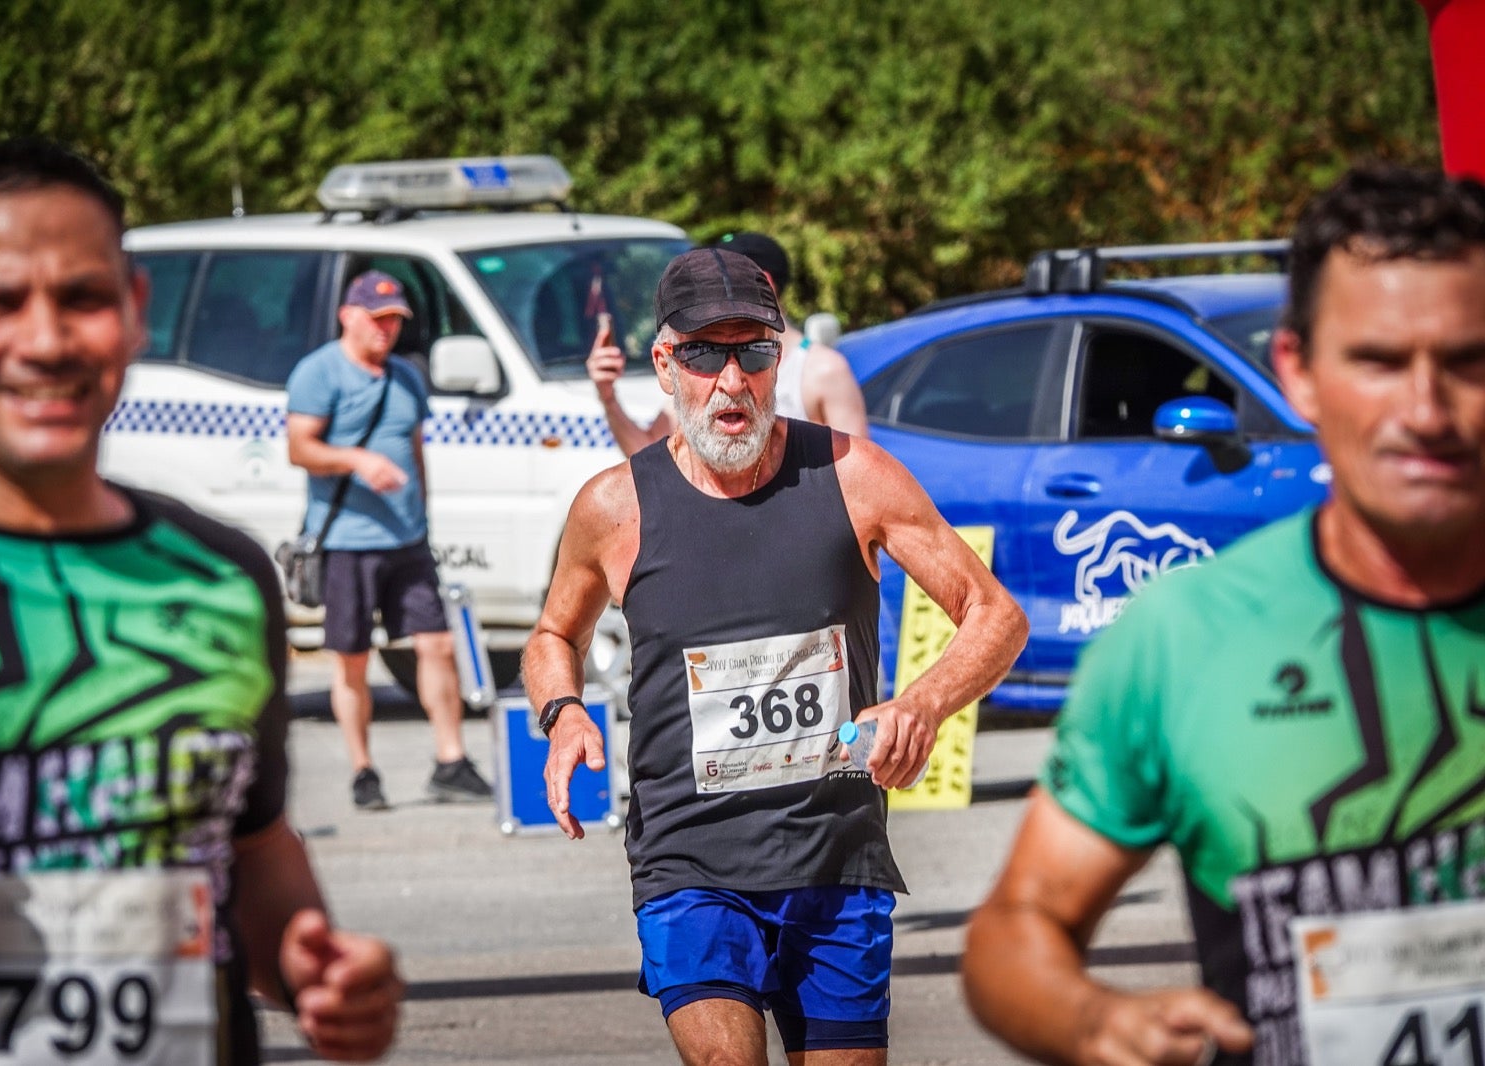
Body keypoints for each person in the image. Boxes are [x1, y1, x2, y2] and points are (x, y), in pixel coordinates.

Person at [0, 138, 401, 1063]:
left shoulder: (223, 576)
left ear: (133, 314)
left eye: (81, 298)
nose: (44, 341)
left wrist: (311, 969)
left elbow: (250, 849)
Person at [963, 163, 1485, 1066]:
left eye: (1469, 361)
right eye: (1378, 361)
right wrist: (1092, 1020)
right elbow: (1018, 930)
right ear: (1300, 372)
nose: (1425, 409)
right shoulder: (1182, 640)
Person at [525, 247, 1028, 1064]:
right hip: (688, 859)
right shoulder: (614, 508)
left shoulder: (853, 477)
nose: (732, 380)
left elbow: (994, 615)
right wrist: (563, 709)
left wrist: (920, 704)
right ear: (664, 362)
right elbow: (554, 635)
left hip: (835, 856)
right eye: (703, 353)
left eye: (753, 351)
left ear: (778, 357)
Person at [284, 271, 492, 808]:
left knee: (437, 645)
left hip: (407, 540)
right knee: (352, 658)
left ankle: (450, 760)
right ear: (348, 316)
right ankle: (363, 770)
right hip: (347, 541)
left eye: (395, 320)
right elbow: (300, 449)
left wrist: (422, 514)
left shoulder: (406, 376)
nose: (387, 329)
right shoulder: (318, 373)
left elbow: (415, 449)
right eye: (378, 319)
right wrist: (356, 460)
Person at [587, 231, 869, 455]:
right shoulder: (694, 366)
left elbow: (857, 482)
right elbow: (649, 459)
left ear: (764, 282)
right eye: (706, 353)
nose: (731, 381)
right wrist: (608, 397)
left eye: (714, 278)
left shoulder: (821, 370)